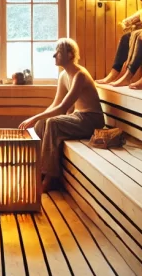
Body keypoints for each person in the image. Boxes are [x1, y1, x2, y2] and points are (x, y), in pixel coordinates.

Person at [19, 38, 105, 192]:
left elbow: (63, 108)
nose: (54, 55)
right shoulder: (64, 76)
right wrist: (39, 118)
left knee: (52, 123)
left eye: (58, 52)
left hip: (91, 119)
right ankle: (35, 169)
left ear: (70, 55)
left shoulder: (80, 75)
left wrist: (34, 117)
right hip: (78, 117)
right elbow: (55, 104)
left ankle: (49, 178)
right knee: (42, 122)